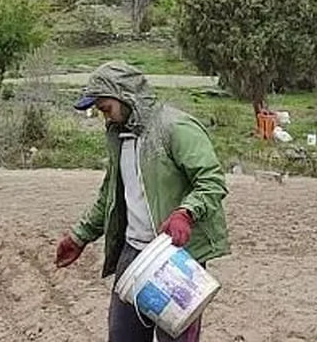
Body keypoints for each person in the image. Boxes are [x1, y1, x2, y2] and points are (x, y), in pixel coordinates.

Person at [53, 61, 229, 342]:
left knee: (176, 337)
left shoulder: (175, 128)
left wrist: (186, 213)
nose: (105, 117)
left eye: (106, 108)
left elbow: (211, 180)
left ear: (125, 95)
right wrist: (79, 236)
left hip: (176, 257)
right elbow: (110, 196)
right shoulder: (119, 137)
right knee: (123, 336)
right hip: (134, 255)